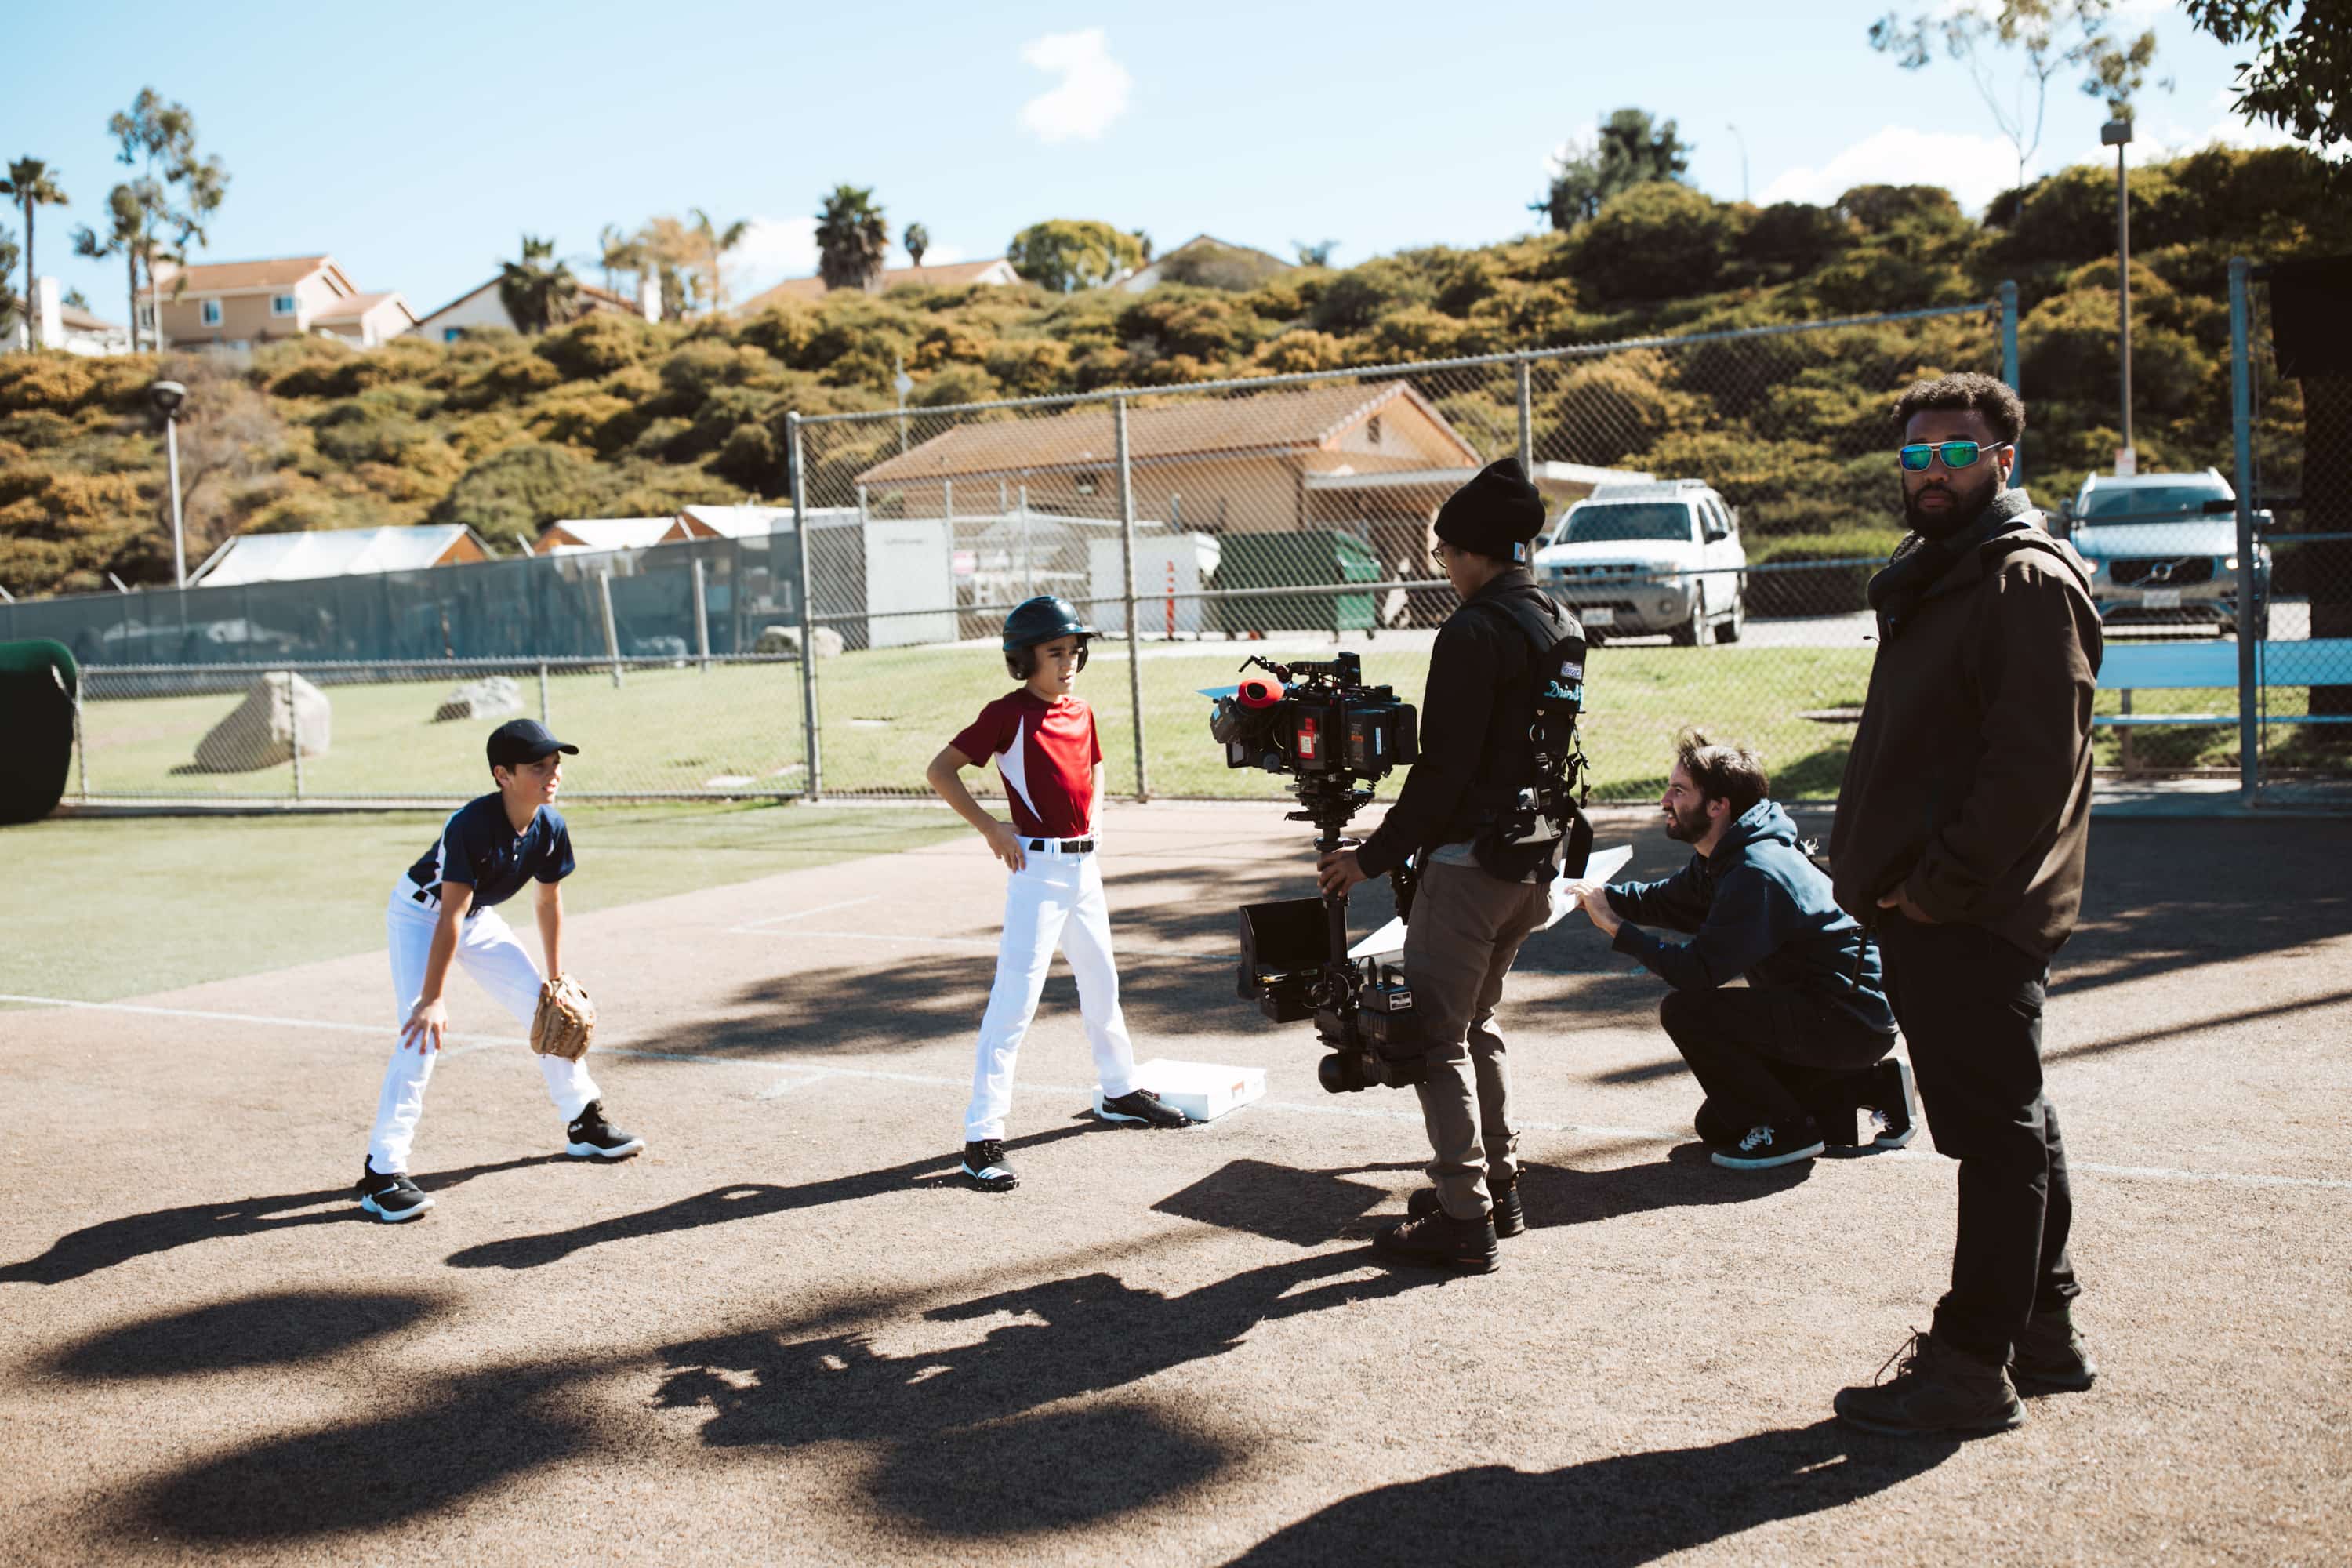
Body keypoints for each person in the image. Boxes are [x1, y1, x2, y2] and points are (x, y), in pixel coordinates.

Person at [1827, 372, 2102, 1437]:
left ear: (2004, 461)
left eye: (1956, 451)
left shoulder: (2020, 580)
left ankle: (1969, 1363)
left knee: (1995, 1139)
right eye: (1916, 454)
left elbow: (2031, 772)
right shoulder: (1948, 572)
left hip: (1971, 912)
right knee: (2014, 1117)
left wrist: (1934, 892)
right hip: (1943, 908)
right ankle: (2044, 1329)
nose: (1932, 471)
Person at [1317, 457, 1582, 1273]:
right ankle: (1496, 1186)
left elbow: (1443, 771)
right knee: (1477, 1024)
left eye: (1444, 554)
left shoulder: (1473, 630)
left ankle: (1465, 1216)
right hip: (1531, 861)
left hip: (1470, 865)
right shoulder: (1557, 619)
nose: (1445, 568)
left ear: (1469, 550)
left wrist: (1367, 857)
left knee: (1434, 1039)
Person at [927, 596, 1192, 1194]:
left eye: (1073, 651)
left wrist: (1096, 818)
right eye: (1054, 653)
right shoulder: (1006, 713)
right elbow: (941, 770)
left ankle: (1119, 1091)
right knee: (1014, 1003)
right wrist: (992, 828)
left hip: (1084, 871)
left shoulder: (1081, 710)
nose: (1068, 662)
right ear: (1025, 659)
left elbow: (1095, 768)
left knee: (1102, 983)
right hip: (1037, 876)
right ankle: (982, 1138)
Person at [1559, 731, 1906, 1171]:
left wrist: (1618, 929)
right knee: (1719, 1125)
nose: (1665, 800)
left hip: (1847, 1020)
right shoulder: (1725, 854)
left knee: (1689, 1012)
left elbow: (1697, 971)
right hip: (1828, 1013)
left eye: (1679, 791)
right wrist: (1592, 893)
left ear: (1718, 805)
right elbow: (1665, 900)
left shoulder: (1754, 871)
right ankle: (1870, 1085)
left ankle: (1789, 1132)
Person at [357, 719, 643, 1223]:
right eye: (538, 766)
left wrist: (555, 978)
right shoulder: (470, 825)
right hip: (421, 915)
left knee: (547, 1011)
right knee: (420, 1034)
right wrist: (432, 999)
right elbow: (448, 916)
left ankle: (582, 1121)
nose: (552, 773)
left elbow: (548, 900)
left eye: (555, 764)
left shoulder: (549, 825)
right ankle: (382, 1172)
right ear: (503, 774)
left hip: (476, 918)